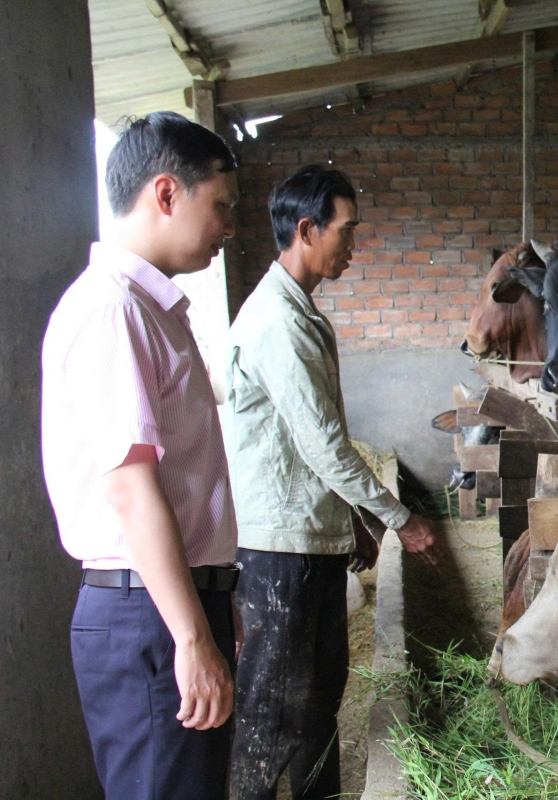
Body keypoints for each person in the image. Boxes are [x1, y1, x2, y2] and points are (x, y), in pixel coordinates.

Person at [41, 111, 241, 800]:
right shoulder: (112, 310)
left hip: (167, 601)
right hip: (147, 617)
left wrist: (214, 601)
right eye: (220, 205)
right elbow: (131, 488)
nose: (228, 227)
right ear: (165, 194)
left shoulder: (151, 310)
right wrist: (189, 637)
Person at [226, 164, 439, 799]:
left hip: (308, 542)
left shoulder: (300, 313)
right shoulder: (278, 323)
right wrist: (401, 518)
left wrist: (351, 527)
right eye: (346, 231)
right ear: (306, 229)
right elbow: (323, 445)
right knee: (274, 719)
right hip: (279, 553)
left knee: (319, 702)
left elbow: (306, 446)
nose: (352, 245)